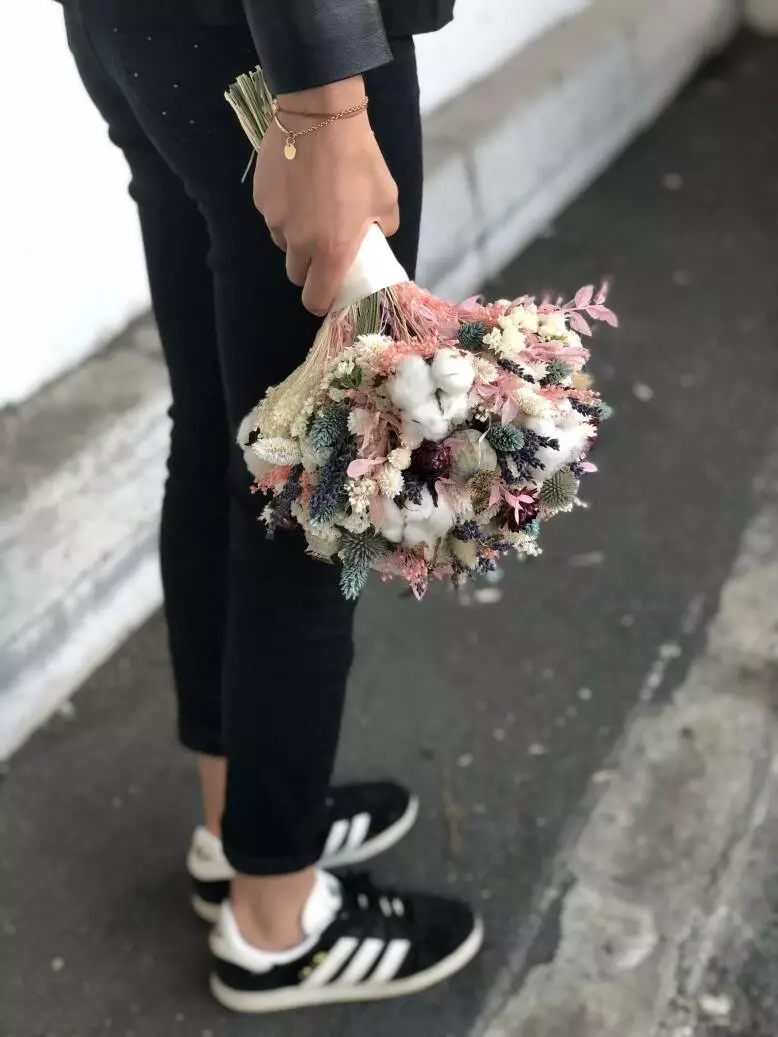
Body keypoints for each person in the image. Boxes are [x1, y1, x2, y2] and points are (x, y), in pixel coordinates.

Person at [59, 0, 482, 1014]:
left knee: (225, 435)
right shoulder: (315, 91)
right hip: (286, 52)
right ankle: (276, 922)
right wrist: (330, 111)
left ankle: (238, 826)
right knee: (313, 489)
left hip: (143, 31)